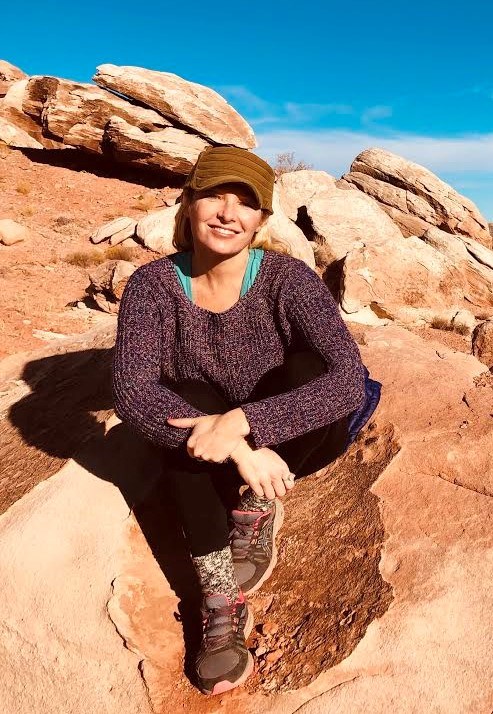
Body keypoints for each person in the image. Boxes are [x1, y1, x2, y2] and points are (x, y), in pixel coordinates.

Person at [112, 146, 380, 696]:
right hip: (214, 441)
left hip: (292, 434)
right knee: (181, 405)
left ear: (262, 220)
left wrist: (244, 423)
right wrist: (234, 444)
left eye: (245, 203)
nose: (227, 214)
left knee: (309, 367)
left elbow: (346, 379)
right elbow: (132, 389)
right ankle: (217, 595)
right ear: (187, 205)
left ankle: (255, 506)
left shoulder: (288, 279)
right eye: (213, 196)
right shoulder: (153, 286)